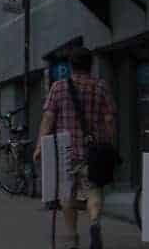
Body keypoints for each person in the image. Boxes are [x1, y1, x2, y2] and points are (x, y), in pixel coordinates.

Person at [34, 47, 116, 249]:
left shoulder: (58, 87)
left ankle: (72, 238)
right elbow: (109, 119)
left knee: (67, 194)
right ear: (91, 65)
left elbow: (48, 118)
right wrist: (111, 145)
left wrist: (39, 145)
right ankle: (95, 222)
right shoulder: (101, 86)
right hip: (94, 151)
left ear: (71, 66)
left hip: (66, 151)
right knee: (94, 189)